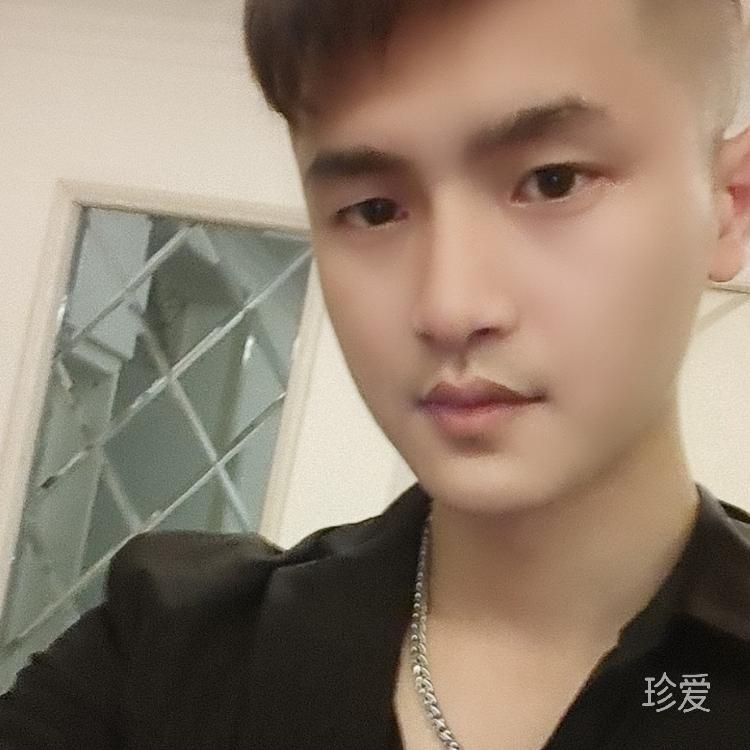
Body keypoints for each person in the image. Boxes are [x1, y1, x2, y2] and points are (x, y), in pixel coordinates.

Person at [1, 0, 750, 747]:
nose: (449, 307)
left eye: (553, 181)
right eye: (374, 210)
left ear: (730, 206)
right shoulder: (161, 656)